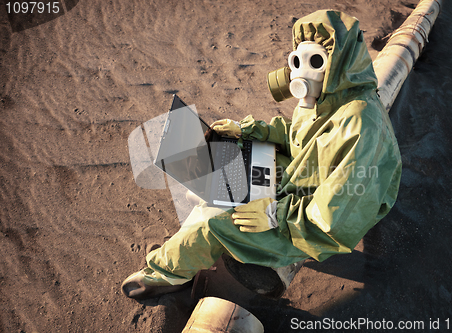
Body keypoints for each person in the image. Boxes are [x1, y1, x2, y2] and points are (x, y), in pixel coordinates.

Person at [121, 9, 402, 300]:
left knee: (218, 219)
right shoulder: (331, 98)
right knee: (227, 159)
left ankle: (166, 273)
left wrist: (273, 214)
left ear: (340, 62)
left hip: (312, 219)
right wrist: (250, 131)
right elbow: (301, 137)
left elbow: (337, 217)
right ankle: (190, 241)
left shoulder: (361, 125)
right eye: (297, 61)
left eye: (315, 61)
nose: (301, 72)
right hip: (305, 183)